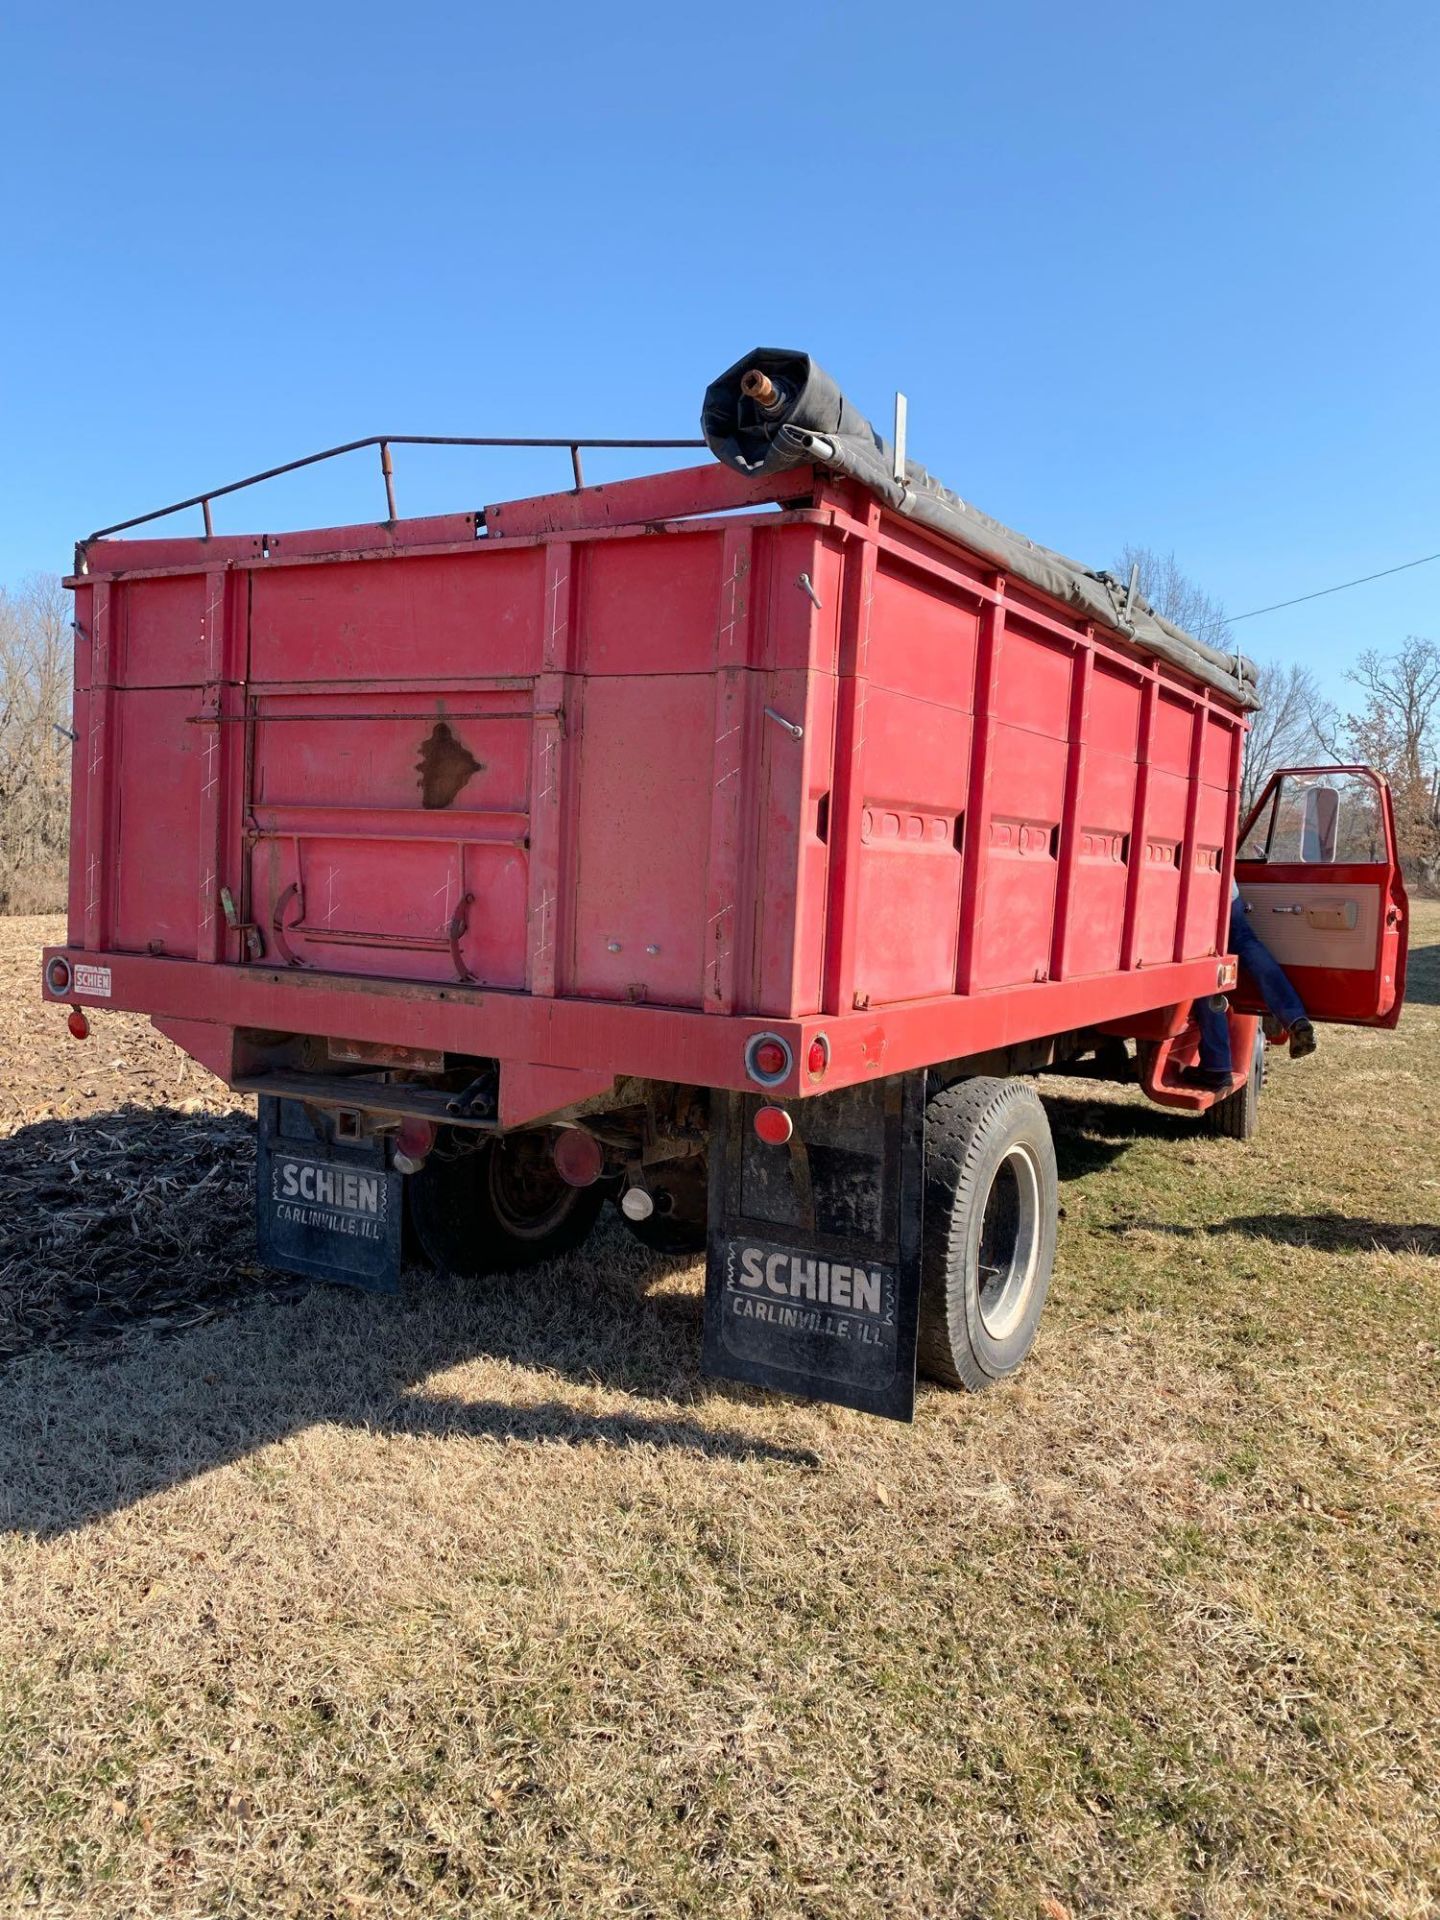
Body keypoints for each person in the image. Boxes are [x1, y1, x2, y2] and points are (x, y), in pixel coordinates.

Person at [1187, 881, 1316, 1090]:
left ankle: (1217, 1066)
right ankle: (1295, 1018)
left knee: (1207, 967)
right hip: (1229, 891)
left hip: (1198, 891)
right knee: (1248, 946)